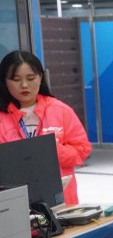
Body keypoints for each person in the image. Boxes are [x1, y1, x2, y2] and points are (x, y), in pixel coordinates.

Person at [0, 50, 91, 205]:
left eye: (30, 78)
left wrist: (51, 149)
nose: (24, 85)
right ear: (4, 81)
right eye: (16, 79)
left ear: (41, 78)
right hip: (13, 201)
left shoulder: (60, 110)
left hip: (60, 201)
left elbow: (82, 151)